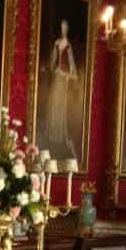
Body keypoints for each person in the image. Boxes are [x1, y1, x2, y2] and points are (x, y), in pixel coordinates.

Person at [45, 19, 78, 153]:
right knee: (54, 102)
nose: (63, 29)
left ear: (67, 29)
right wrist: (51, 68)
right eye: (61, 27)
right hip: (58, 74)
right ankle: (53, 133)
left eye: (65, 27)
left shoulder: (68, 45)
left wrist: (72, 75)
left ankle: (60, 134)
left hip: (63, 77)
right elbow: (53, 59)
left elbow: (71, 62)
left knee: (61, 104)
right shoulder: (57, 42)